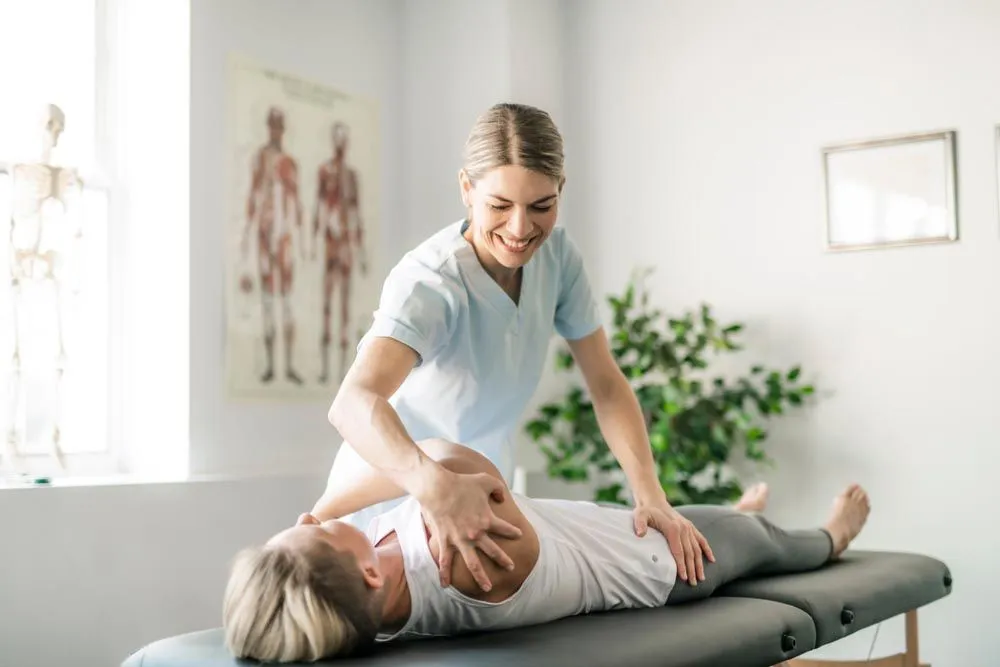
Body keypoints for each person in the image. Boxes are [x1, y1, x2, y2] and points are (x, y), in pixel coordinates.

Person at [324, 102, 713, 595]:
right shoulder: (430, 282)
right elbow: (353, 403)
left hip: (482, 496)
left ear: (560, 192)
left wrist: (650, 495)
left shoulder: (559, 259)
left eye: (541, 206)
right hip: (394, 499)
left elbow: (607, 385)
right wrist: (433, 487)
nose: (520, 228)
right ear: (467, 189)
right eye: (499, 205)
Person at [222, 439, 871, 663]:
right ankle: (831, 533)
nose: (310, 515)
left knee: (727, 520)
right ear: (364, 568)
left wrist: (324, 522)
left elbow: (416, 469)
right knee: (764, 542)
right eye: (308, 528)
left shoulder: (378, 584)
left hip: (600, 525)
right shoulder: (471, 563)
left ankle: (732, 511)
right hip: (658, 563)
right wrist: (334, 507)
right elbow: (442, 456)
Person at [242, 106, 305, 385]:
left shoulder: (289, 163)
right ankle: (270, 365)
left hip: (284, 239)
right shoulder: (261, 159)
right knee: (268, 301)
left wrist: (302, 242)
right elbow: (253, 197)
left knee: (287, 302)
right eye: (273, 125)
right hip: (266, 236)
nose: (276, 130)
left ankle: (288, 365)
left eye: (280, 125)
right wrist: (247, 238)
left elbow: (297, 203)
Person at [312, 121, 367, 385]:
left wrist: (361, 250)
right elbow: (319, 206)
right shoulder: (325, 171)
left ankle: (343, 371)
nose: (341, 144)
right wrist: (313, 242)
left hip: (345, 246)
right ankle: (324, 369)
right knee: (326, 304)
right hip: (331, 244)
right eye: (338, 139)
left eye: (344, 140)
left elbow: (356, 215)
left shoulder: (351, 177)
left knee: (344, 306)